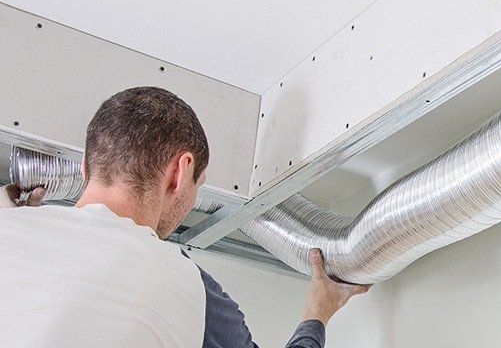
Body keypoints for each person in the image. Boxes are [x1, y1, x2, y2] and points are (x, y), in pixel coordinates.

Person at [0, 87, 370, 347]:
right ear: (180, 171)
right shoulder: (188, 288)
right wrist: (317, 312)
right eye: (199, 184)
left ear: (84, 167)